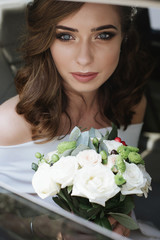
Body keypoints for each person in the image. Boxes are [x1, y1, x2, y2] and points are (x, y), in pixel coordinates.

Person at [0, 0, 156, 238]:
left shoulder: (131, 105)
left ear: (123, 37)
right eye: (65, 36)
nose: (84, 59)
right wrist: (39, 226)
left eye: (103, 35)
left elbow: (126, 188)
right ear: (46, 40)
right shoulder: (10, 124)